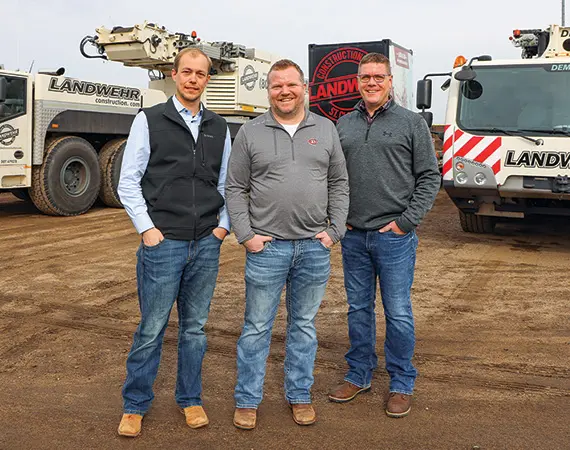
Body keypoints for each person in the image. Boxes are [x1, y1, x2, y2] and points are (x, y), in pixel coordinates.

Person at [226, 59, 349, 430]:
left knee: (304, 327)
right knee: (257, 328)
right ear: (269, 91)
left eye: (291, 85)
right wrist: (246, 235)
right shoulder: (251, 132)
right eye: (277, 86)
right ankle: (247, 400)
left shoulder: (325, 129)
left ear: (304, 88)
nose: (284, 91)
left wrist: (335, 230)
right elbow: (235, 187)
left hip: (314, 247)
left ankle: (299, 396)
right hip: (268, 249)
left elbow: (339, 182)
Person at [116, 47, 232, 437]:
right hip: (163, 243)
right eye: (187, 72)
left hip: (206, 244)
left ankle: (190, 399)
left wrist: (222, 228)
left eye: (201, 74)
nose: (193, 79)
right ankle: (135, 405)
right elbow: (128, 181)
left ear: (208, 80)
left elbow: (227, 184)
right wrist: (147, 230)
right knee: (152, 328)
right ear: (174, 74)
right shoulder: (150, 120)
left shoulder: (219, 126)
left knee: (195, 329)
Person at [328, 52, 440, 418]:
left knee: (398, 312)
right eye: (365, 77)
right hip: (354, 237)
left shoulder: (411, 124)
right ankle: (359, 374)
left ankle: (401, 381)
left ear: (390, 81)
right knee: (358, 309)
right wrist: (339, 217)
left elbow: (429, 177)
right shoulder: (343, 125)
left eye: (379, 76)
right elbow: (333, 178)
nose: (371, 83)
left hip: (394, 237)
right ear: (356, 82)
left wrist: (405, 222)